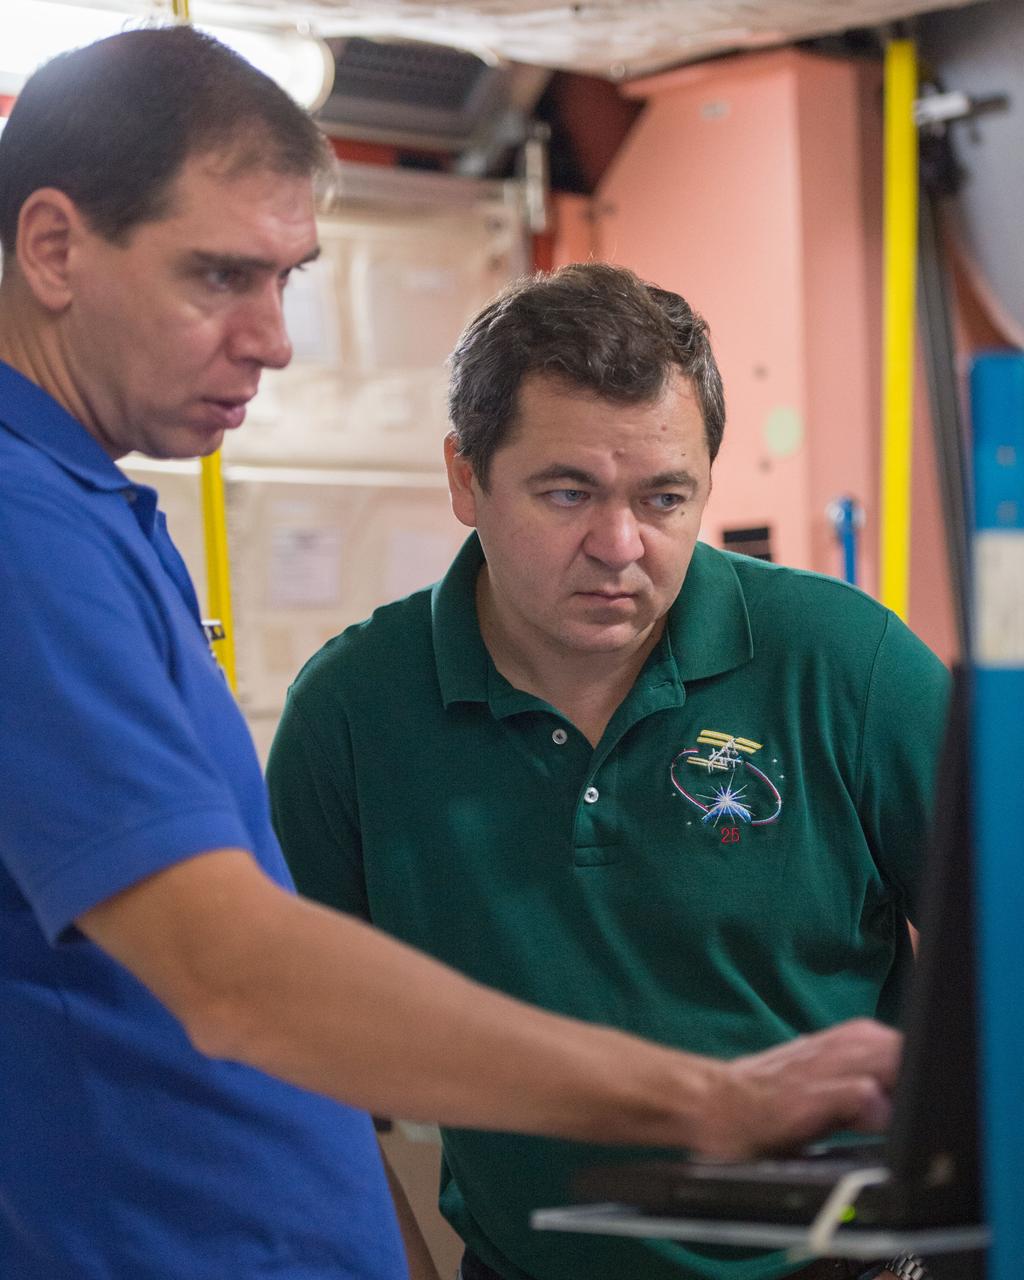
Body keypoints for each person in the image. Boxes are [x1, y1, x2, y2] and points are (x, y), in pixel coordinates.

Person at [0, 26, 907, 1280]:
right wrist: (704, 1098)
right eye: (221, 275)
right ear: (53, 248)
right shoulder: (31, 534)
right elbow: (239, 975)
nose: (274, 338)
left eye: (288, 280)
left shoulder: (91, 510)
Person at [267, 263, 950, 1280]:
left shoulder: (849, 666)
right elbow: (294, 1053)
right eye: (567, 492)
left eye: (664, 497)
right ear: (466, 478)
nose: (619, 545)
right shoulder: (352, 712)